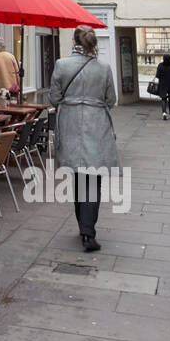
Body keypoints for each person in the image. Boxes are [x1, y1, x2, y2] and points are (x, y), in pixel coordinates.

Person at [49, 25, 119, 252]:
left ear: (74, 42)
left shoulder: (62, 65)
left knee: (79, 177)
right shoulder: (104, 68)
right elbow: (111, 100)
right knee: (93, 179)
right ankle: (88, 231)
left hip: (70, 125)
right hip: (96, 125)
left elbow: (54, 98)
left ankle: (84, 226)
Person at [155, 54, 170, 120]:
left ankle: (164, 113)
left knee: (163, 98)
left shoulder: (160, 66)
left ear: (163, 59)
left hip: (163, 84)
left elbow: (157, 75)